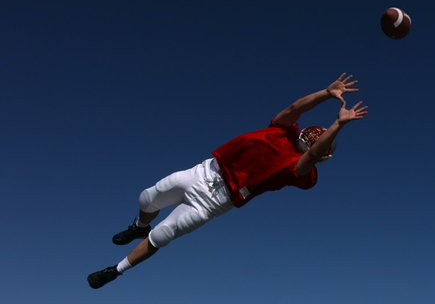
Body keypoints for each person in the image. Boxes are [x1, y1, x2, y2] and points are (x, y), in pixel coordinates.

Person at [87, 73, 368, 289]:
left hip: (215, 202)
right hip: (207, 171)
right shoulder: (283, 130)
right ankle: (138, 226)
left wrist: (339, 124)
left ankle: (115, 270)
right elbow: (295, 107)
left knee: (163, 235)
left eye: (322, 139)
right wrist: (327, 93)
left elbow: (314, 153)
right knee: (148, 197)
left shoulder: (302, 171)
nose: (315, 138)